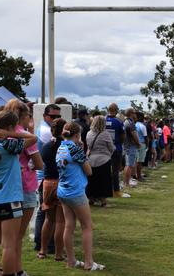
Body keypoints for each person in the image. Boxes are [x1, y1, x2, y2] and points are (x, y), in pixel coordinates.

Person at [0, 110, 38, 276]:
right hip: (10, 197)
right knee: (9, 244)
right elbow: (33, 138)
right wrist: (12, 134)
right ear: (11, 127)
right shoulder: (9, 144)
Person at [57, 121, 104, 271]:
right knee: (87, 226)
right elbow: (89, 171)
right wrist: (82, 151)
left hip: (63, 190)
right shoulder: (74, 149)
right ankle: (89, 262)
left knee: (69, 225)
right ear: (77, 135)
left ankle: (71, 260)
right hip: (75, 191)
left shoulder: (61, 147)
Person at [5, 99, 44, 274]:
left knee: (0, 235)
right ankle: (17, 269)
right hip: (25, 186)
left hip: (4, 187)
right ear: (24, 116)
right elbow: (39, 164)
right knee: (17, 236)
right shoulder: (26, 136)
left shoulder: (2, 133)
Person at [38, 119, 66, 261]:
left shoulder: (46, 146)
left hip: (48, 183)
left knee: (48, 219)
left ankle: (42, 250)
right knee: (61, 221)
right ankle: (58, 254)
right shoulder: (67, 146)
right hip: (62, 182)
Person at [86, 115, 115, 207]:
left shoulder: (89, 133)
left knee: (92, 181)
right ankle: (103, 201)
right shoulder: (105, 134)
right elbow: (111, 147)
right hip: (103, 159)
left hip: (91, 159)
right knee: (104, 181)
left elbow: (88, 146)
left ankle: (91, 199)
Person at [105, 103, 127, 198]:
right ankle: (116, 191)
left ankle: (106, 190)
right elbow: (123, 136)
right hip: (116, 148)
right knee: (115, 171)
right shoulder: (118, 122)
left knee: (105, 170)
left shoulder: (103, 120)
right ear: (117, 110)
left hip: (104, 149)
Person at [123, 108, 141, 189]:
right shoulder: (130, 123)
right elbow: (134, 134)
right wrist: (138, 143)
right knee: (129, 165)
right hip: (131, 145)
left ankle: (125, 182)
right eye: (134, 113)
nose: (135, 114)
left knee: (128, 165)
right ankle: (126, 183)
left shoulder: (125, 122)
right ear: (131, 113)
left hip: (127, 145)